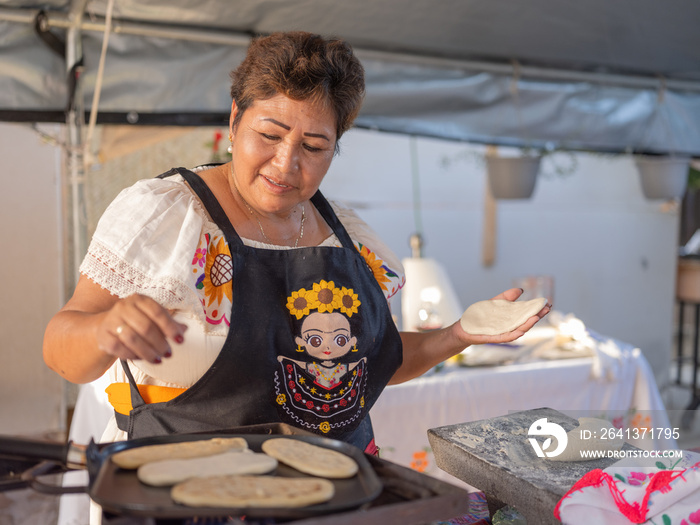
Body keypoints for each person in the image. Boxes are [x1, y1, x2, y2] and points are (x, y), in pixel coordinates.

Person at [43, 31, 550, 455]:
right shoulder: (167, 215)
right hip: (184, 488)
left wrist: (458, 334)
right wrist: (105, 329)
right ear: (235, 119)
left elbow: (367, 367)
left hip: (333, 492)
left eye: (313, 146)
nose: (286, 165)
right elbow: (62, 347)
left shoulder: (350, 237)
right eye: (270, 134)